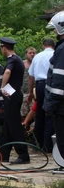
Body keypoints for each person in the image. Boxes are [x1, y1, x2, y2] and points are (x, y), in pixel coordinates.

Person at [0, 37, 29, 164]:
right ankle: (3, 154)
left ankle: (23, 154)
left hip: (12, 96)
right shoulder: (18, 59)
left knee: (14, 125)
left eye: (1, 48)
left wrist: (2, 87)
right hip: (14, 95)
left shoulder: (12, 60)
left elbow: (7, 72)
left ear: (4, 48)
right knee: (7, 125)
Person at [43, 11, 64, 167]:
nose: (55, 33)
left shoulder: (62, 50)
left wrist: (50, 106)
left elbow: (58, 81)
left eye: (56, 30)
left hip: (61, 107)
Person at [28, 38, 55, 153]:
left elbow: (31, 76)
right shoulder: (56, 54)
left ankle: (39, 142)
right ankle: (48, 144)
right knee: (51, 114)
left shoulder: (37, 57)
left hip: (39, 86)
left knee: (39, 113)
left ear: (43, 45)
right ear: (53, 46)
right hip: (52, 85)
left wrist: (30, 92)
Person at [21, 47, 36, 118]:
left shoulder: (37, 64)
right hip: (23, 93)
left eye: (33, 53)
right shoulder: (21, 64)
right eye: (30, 53)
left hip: (34, 94)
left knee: (35, 114)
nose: (32, 54)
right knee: (23, 114)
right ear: (26, 54)